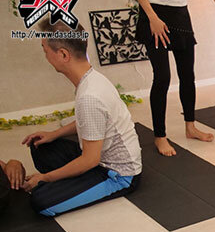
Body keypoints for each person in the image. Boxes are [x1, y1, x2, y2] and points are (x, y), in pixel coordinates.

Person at [20, 22, 142, 217]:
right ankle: (74, 181)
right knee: (40, 146)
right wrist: (54, 134)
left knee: (40, 202)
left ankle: (73, 182)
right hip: (98, 157)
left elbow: (90, 160)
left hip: (118, 174)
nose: (46, 56)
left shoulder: (89, 96)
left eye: (45, 50)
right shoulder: (91, 78)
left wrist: (45, 178)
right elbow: (91, 122)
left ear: (63, 55)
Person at [128, 0, 215, 156]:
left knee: (187, 75)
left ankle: (190, 127)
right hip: (153, 12)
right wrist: (152, 17)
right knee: (162, 77)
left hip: (180, 12)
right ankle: (160, 136)